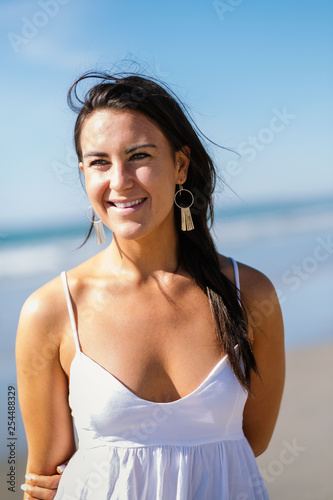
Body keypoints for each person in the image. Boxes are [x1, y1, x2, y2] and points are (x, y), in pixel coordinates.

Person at [16, 70, 285, 500]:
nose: (119, 181)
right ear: (83, 173)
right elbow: (39, 479)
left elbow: (252, 439)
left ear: (180, 165)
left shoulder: (249, 295)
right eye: (100, 162)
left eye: (139, 155)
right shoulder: (50, 311)